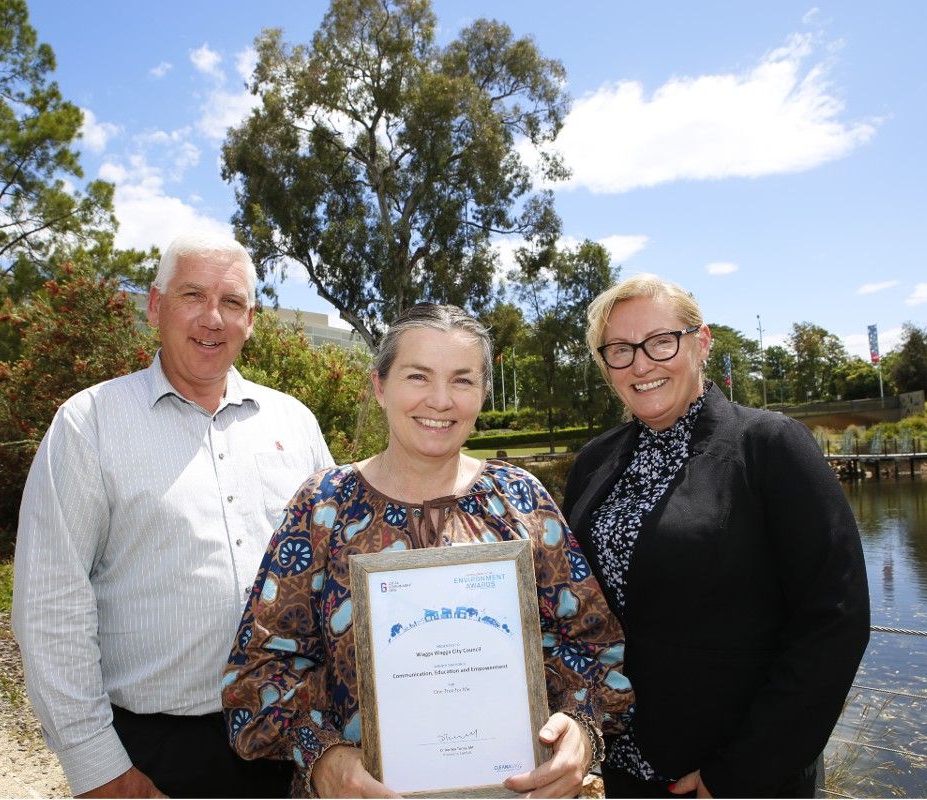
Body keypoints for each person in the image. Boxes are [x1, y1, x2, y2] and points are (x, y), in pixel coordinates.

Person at [221, 303, 633, 798]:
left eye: (462, 380)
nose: (440, 400)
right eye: (418, 376)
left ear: (483, 392)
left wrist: (580, 732)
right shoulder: (323, 505)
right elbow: (258, 671)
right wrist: (323, 756)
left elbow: (593, 645)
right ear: (380, 386)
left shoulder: (519, 499)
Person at [12, 231, 334, 798]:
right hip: (156, 754)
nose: (213, 319)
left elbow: (338, 576)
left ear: (251, 319)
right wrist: (102, 771)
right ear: (156, 306)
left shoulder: (295, 424)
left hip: (293, 742)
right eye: (193, 296)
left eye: (232, 303)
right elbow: (49, 604)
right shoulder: (89, 425)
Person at [562, 274, 870, 799]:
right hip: (621, 773)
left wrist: (740, 772)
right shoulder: (595, 462)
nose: (640, 364)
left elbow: (834, 621)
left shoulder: (771, 446)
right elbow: (573, 608)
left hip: (735, 776)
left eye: (660, 342)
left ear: (700, 342)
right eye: (619, 349)